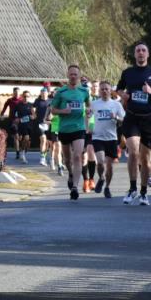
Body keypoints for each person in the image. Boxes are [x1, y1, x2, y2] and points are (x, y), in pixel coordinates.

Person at [115, 42, 151, 206]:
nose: (140, 53)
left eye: (143, 50)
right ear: (135, 54)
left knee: (145, 159)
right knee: (133, 151)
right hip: (131, 117)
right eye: (138, 50)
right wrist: (123, 95)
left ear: (148, 54)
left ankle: (143, 192)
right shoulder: (128, 73)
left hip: (149, 119)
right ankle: (132, 189)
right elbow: (118, 89)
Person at [50, 65, 90, 200]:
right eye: (71, 74)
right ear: (68, 75)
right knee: (67, 159)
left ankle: (75, 187)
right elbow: (53, 110)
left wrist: (89, 111)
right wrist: (63, 111)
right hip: (64, 129)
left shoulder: (84, 91)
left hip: (79, 128)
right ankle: (71, 174)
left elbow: (89, 105)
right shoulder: (61, 92)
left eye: (75, 74)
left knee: (78, 156)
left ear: (79, 76)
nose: (73, 76)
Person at [88, 81, 126, 198]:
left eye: (107, 89)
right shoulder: (94, 104)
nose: (104, 91)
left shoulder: (116, 105)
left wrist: (116, 117)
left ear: (110, 91)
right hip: (97, 137)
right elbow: (88, 116)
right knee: (100, 162)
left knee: (109, 166)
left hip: (111, 138)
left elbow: (124, 120)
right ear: (99, 91)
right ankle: (101, 177)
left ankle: (107, 187)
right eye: (102, 89)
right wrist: (88, 127)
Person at [81, 78, 98, 192]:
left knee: (91, 154)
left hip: (93, 131)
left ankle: (92, 179)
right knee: (83, 158)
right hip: (81, 130)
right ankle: (85, 180)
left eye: (89, 88)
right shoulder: (80, 101)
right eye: (85, 88)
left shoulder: (96, 101)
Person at [33, 87, 51, 166]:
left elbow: (53, 110)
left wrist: (51, 116)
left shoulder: (51, 101)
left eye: (45, 92)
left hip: (48, 123)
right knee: (43, 139)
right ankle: (42, 158)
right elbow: (32, 108)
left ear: (47, 93)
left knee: (48, 142)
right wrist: (33, 114)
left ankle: (45, 156)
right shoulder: (37, 101)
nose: (43, 93)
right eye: (42, 92)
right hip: (39, 123)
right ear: (40, 93)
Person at [0, 87, 21, 151]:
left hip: (20, 120)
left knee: (19, 137)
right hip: (12, 120)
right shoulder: (10, 100)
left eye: (18, 92)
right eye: (15, 92)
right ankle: (17, 152)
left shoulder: (21, 100)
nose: (17, 93)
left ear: (19, 93)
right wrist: (2, 115)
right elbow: (4, 107)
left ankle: (16, 145)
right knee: (16, 136)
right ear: (13, 93)